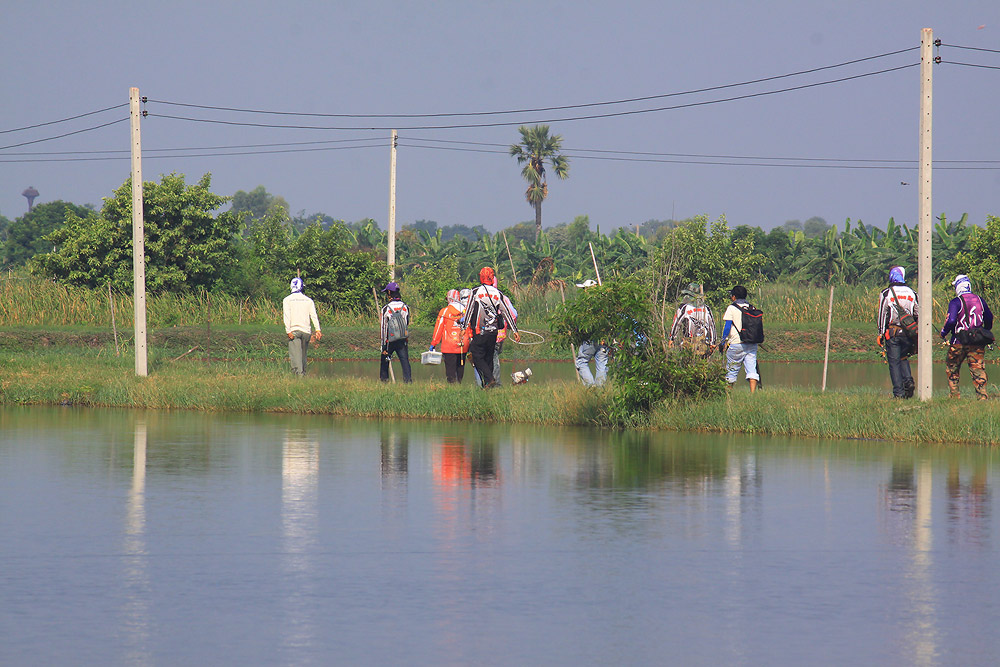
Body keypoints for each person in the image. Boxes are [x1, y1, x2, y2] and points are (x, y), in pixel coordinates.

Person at [463, 267, 520, 389]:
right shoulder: (498, 294)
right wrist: (515, 330)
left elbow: (469, 311)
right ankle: (487, 387)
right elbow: (507, 313)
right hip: (494, 332)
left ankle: (489, 379)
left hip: (480, 331)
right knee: (489, 359)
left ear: (481, 277)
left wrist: (464, 326)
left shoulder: (475, 292)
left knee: (476, 354)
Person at [940, 274, 993, 399]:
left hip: (958, 341)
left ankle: (954, 396)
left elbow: (951, 320)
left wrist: (943, 332)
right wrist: (985, 331)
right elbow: (989, 318)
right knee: (978, 369)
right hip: (977, 341)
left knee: (952, 368)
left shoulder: (955, 302)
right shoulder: (980, 300)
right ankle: (982, 397)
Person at [876, 266, 918, 399]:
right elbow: (918, 313)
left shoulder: (886, 293)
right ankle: (908, 381)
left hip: (893, 333)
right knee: (903, 357)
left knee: (894, 363)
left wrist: (880, 333)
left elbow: (882, 314)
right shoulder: (912, 293)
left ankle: (899, 394)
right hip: (908, 333)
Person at [720, 285, 760, 392]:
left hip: (736, 343)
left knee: (732, 370)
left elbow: (727, 326)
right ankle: (752, 394)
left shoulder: (731, 308)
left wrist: (723, 341)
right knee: (752, 369)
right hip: (751, 343)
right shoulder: (752, 308)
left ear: (734, 297)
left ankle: (728, 394)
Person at [429, 289, 471, 383]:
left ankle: (452, 388)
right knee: (460, 368)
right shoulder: (466, 311)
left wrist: (434, 343)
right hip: (463, 345)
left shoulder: (445, 311)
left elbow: (438, 329)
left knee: (450, 372)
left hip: (449, 346)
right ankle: (458, 385)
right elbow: (469, 327)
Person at [282, 277, 321, 376]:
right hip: (306, 331)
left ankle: (299, 377)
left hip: (294, 330)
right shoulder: (308, 300)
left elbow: (287, 316)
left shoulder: (287, 300)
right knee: (303, 355)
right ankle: (303, 374)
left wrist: (288, 331)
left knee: (295, 356)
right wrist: (318, 330)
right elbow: (313, 315)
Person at [573, 279, 609, 387]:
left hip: (591, 339)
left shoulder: (587, 304)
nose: (583, 291)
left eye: (584, 289)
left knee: (581, 362)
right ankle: (600, 389)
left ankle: (591, 386)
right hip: (604, 339)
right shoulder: (604, 302)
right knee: (602, 365)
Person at [669, 282, 718, 358]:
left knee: (688, 364)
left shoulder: (684, 308)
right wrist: (713, 342)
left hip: (689, 341)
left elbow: (677, 323)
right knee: (702, 366)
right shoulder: (706, 308)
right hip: (704, 342)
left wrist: (672, 338)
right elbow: (712, 327)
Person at [380, 281, 412, 383]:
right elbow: (406, 322)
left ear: (389, 292)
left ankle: (384, 381)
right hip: (402, 339)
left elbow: (384, 328)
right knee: (405, 361)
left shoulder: (386, 309)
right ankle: (408, 382)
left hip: (390, 340)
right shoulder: (405, 307)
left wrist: (384, 345)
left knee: (384, 360)